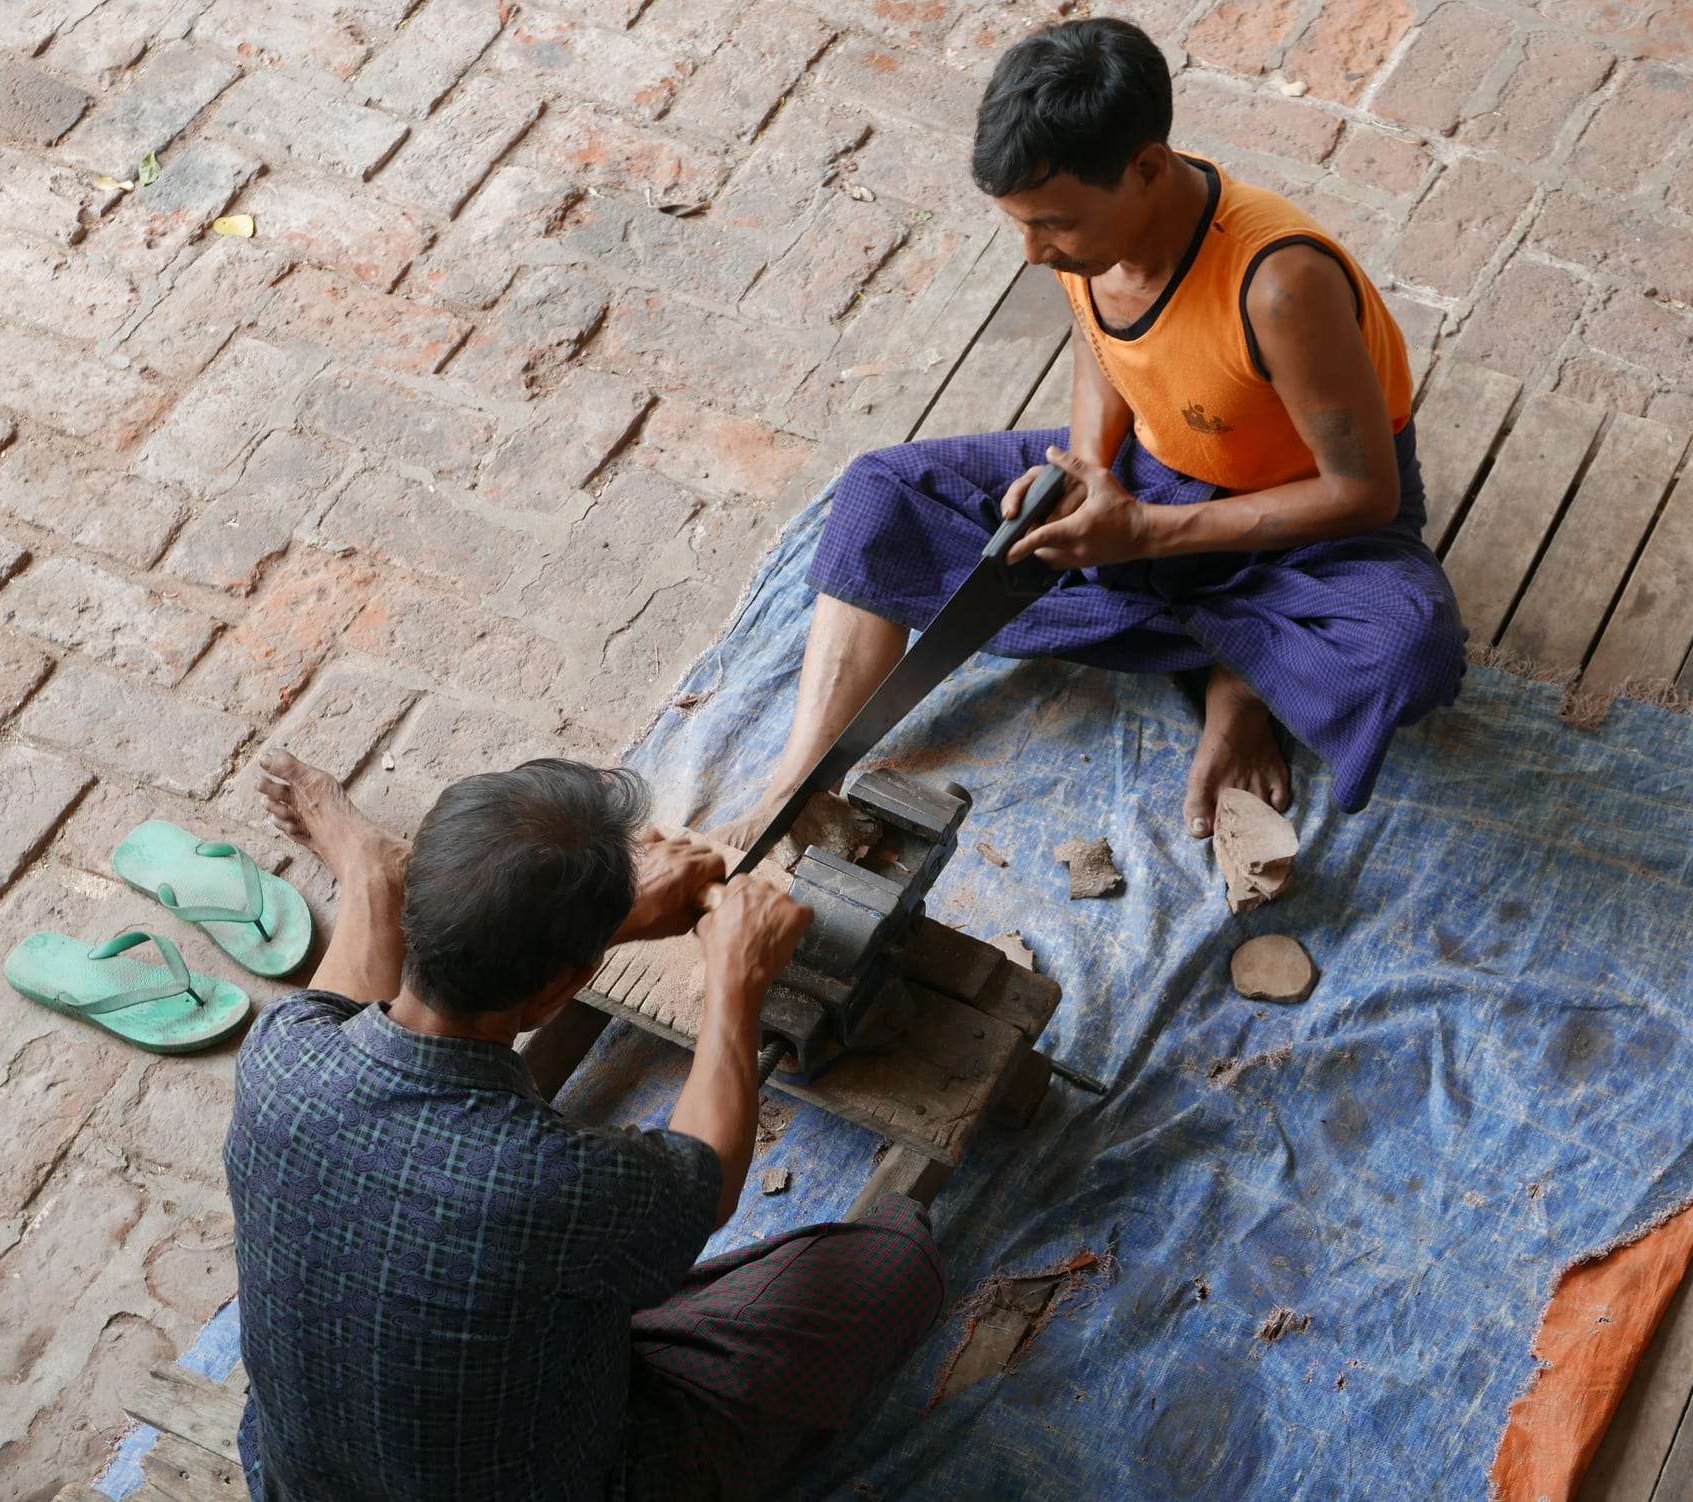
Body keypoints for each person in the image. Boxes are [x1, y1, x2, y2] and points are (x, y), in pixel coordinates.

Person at [718, 17, 1465, 841]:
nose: (1033, 253)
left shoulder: (1280, 286)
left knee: (1410, 649)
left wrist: (1143, 533)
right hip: (1157, 470)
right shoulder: (1094, 237)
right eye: (1019, 224)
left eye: (1053, 225)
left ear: (1147, 169)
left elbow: (1363, 495)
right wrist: (1083, 469)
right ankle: (796, 788)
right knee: (878, 492)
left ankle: (1241, 683)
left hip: (1306, 523)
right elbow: (1101, 343)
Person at [225, 750, 946, 1501]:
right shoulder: (557, 1184)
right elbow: (706, 1179)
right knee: (894, 1259)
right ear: (558, 992)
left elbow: (347, 1008)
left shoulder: (279, 1055)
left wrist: (600, 929)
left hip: (299, 1482)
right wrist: (736, 983)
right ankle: (374, 873)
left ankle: (372, 876)